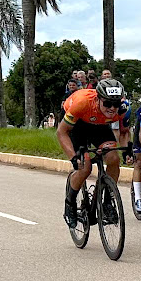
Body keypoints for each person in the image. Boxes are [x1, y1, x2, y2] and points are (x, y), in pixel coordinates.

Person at [57, 78, 129, 228]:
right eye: (107, 103)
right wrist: (73, 157)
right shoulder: (82, 103)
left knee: (113, 158)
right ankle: (69, 204)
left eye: (115, 104)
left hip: (100, 126)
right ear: (98, 99)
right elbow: (62, 132)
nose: (112, 108)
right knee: (85, 167)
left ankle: (108, 202)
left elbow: (124, 132)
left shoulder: (123, 109)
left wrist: (127, 149)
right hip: (78, 125)